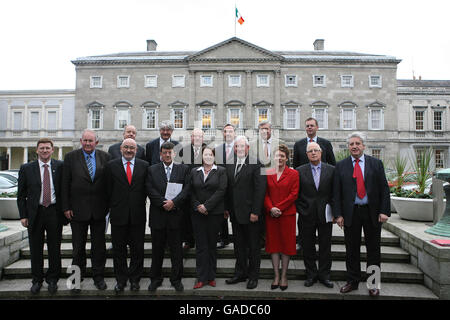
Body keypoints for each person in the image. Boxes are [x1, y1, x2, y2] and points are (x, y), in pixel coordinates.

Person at [333, 132, 390, 297]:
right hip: (351, 213)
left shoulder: (376, 164)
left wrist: (384, 211)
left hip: (372, 213)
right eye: (351, 144)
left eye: (357, 143)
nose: (355, 146)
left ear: (363, 146)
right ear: (348, 147)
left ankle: (373, 283)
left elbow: (384, 189)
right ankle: (352, 281)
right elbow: (336, 193)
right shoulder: (341, 166)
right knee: (351, 249)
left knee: (373, 249)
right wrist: (338, 215)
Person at [62, 129, 111, 291]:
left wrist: (109, 206)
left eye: (91, 141)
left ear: (96, 142)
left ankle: (98, 278)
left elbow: (108, 185)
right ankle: (76, 279)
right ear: (81, 141)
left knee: (99, 248)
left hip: (99, 211)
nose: (88, 144)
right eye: (85, 141)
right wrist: (66, 207)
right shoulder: (70, 157)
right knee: (77, 249)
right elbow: (64, 185)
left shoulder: (105, 157)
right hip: (77, 211)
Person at [17, 138, 66, 294]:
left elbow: (64, 191)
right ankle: (37, 280)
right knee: (35, 248)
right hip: (35, 213)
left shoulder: (60, 166)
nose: (45, 151)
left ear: (52, 150)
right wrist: (23, 215)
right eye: (42, 148)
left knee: (54, 248)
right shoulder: (26, 168)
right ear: (37, 150)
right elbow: (21, 195)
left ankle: (52, 279)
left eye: (47, 148)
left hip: (54, 212)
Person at [105, 138, 149, 293]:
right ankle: (121, 280)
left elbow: (147, 189)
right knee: (119, 250)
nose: (129, 150)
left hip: (137, 215)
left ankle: (135, 280)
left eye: (132, 148)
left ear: (136, 150)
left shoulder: (144, 166)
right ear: (121, 149)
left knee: (138, 250)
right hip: (118, 215)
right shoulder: (111, 166)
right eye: (126, 147)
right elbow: (107, 190)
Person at [146, 141, 190, 292]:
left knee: (176, 251)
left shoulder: (183, 169)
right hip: (158, 216)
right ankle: (155, 278)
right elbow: (150, 190)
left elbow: (186, 190)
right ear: (160, 154)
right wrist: (164, 203)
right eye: (164, 152)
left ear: (174, 153)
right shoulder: (152, 170)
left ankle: (176, 279)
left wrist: (174, 203)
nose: (167, 155)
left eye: (169, 152)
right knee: (157, 250)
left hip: (176, 217)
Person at [225, 136, 266, 290]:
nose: (239, 149)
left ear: (248, 148)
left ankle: (253, 277)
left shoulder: (258, 164)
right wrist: (227, 208)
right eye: (237, 147)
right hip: (235, 214)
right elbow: (228, 189)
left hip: (251, 215)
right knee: (239, 246)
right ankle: (240, 273)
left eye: (242, 146)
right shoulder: (230, 163)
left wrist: (255, 211)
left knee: (254, 247)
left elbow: (260, 190)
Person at [296, 142, 335, 289]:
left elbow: (334, 193)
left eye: (316, 150)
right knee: (308, 246)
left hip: (326, 215)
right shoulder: (299, 171)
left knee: (326, 246)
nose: (313, 153)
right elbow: (296, 194)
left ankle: (325, 275)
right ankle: (311, 275)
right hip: (307, 215)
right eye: (310, 151)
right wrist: (302, 209)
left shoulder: (331, 170)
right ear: (306, 154)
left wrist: (335, 213)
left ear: (321, 152)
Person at [293, 117, 336, 251]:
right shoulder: (298, 144)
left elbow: (332, 163)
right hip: (306, 187)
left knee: (324, 236)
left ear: (317, 127)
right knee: (304, 223)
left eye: (312, 125)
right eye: (307, 126)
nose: (309, 128)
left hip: (322, 187)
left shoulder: (325, 143)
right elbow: (295, 166)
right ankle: (301, 241)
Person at [189, 146, 227, 289]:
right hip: (197, 214)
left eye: (211, 154)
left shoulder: (221, 171)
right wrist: (198, 205)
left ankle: (211, 277)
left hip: (214, 214)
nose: (208, 156)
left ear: (214, 156)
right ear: (202, 156)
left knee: (211, 246)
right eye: (206, 154)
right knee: (201, 246)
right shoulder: (194, 171)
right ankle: (201, 277)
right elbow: (190, 191)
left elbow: (221, 190)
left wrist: (207, 206)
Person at [263, 144, 299, 291]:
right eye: (277, 155)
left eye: (282, 156)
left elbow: (294, 194)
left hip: (287, 215)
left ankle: (284, 276)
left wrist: (279, 208)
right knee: (274, 246)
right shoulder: (267, 172)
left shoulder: (294, 174)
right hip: (271, 215)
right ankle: (276, 275)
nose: (279, 158)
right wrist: (271, 208)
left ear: (286, 158)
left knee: (286, 245)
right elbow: (264, 194)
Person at [177, 128, 205, 250]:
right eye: (195, 136)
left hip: (203, 190)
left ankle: (201, 241)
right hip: (188, 189)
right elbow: (180, 169)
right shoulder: (184, 151)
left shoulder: (208, 151)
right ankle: (188, 240)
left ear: (203, 138)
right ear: (191, 137)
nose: (197, 138)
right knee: (187, 217)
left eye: (199, 136)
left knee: (201, 217)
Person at [214, 124, 236, 249]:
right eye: (225, 131)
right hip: (221, 186)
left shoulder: (240, 149)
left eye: (230, 131)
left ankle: (237, 238)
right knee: (221, 213)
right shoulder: (217, 150)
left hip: (235, 186)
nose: (227, 133)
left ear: (234, 133)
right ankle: (224, 238)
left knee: (235, 213)